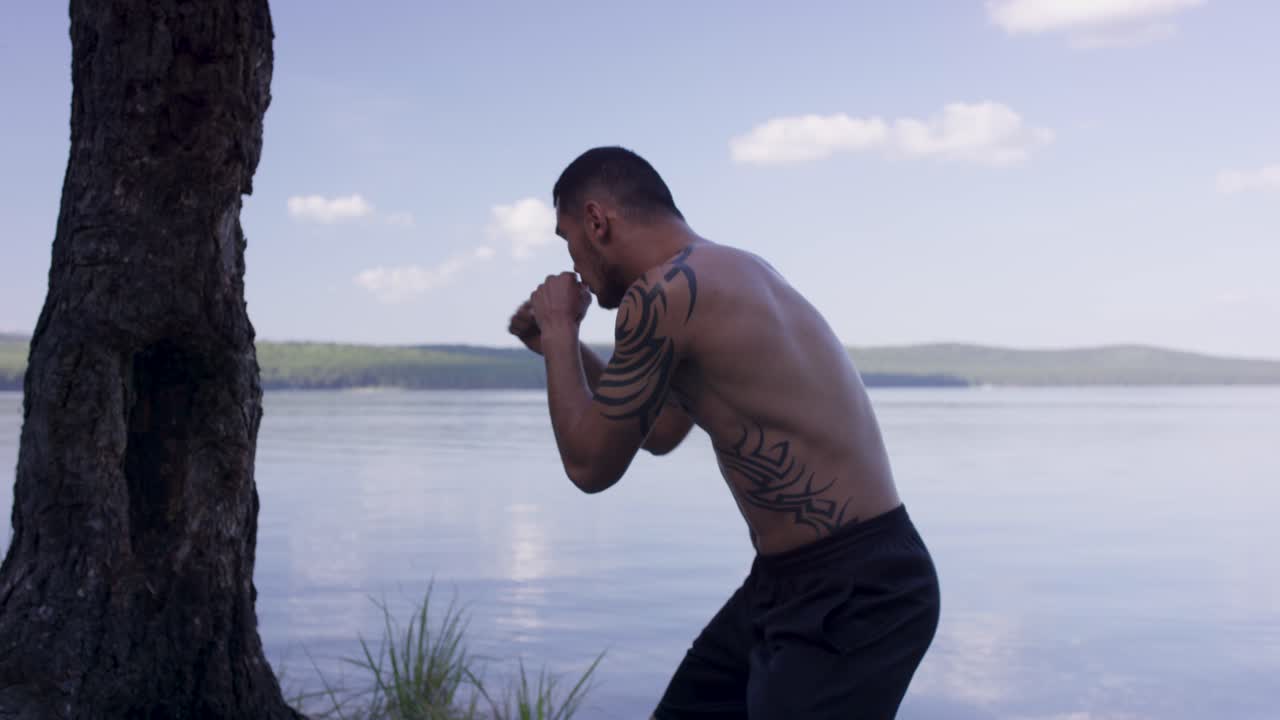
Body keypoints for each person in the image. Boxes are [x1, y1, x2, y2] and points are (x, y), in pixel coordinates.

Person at [508, 146, 940, 719]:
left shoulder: (661, 297)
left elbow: (590, 467)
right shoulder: (731, 272)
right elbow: (660, 430)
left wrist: (561, 327)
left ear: (596, 221)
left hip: (855, 589)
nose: (573, 264)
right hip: (792, 582)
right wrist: (569, 352)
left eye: (567, 242)